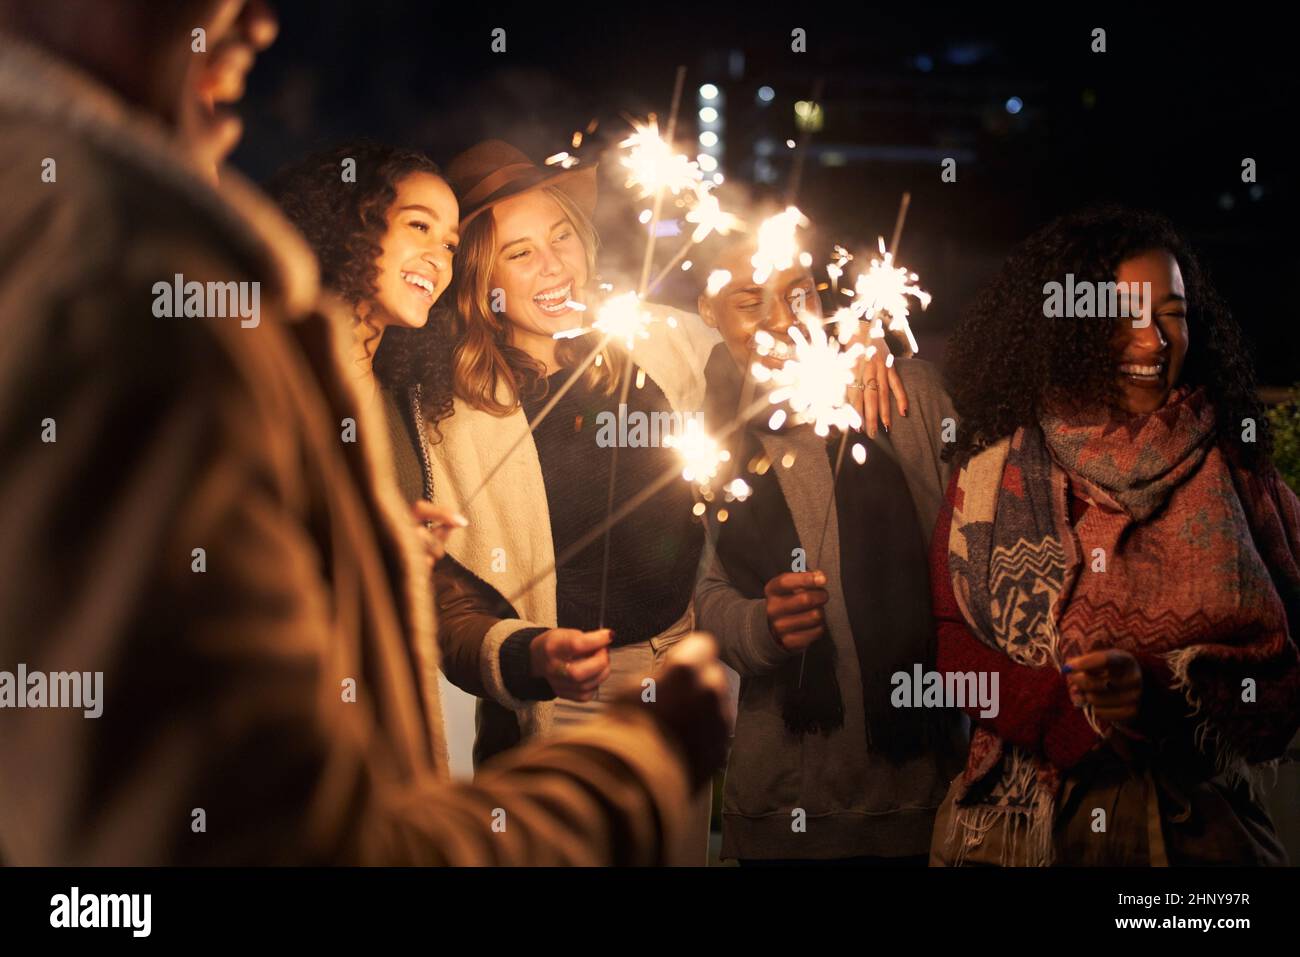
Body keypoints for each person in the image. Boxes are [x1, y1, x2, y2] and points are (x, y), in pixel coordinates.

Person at [0, 0, 729, 865]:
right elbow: (299, 838)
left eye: (450, 238)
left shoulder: (271, 340)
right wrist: (641, 761)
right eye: (422, 227)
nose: (257, 23)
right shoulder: (133, 286)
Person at [931, 206, 1300, 866]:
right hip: (1025, 827)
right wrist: (1069, 710)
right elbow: (952, 642)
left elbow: (1287, 654)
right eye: (1126, 313)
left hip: (1198, 831)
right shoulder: (992, 469)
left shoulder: (1239, 472)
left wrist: (1157, 689)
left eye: (1174, 314)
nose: (1155, 339)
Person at [693, 237, 967, 863]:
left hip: (920, 799)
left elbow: (972, 562)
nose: (785, 320)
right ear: (708, 310)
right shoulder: (706, 430)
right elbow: (702, 598)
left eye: (800, 294)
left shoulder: (903, 394)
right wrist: (762, 625)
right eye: (750, 300)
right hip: (780, 805)